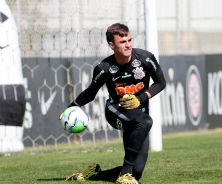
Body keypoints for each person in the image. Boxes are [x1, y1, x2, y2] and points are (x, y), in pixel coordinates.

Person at [62, 23, 166, 184]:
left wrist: (140, 99)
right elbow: (90, 93)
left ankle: (93, 174)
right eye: (123, 42)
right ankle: (124, 174)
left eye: (130, 40)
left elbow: (161, 83)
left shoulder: (146, 59)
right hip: (115, 110)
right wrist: (71, 108)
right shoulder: (104, 68)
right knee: (146, 121)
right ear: (112, 45)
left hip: (139, 113)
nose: (128, 45)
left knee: (136, 172)